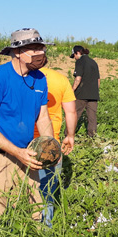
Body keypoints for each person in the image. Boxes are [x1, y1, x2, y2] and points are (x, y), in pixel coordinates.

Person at [0, 28, 54, 236]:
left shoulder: (40, 80)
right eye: (33, 48)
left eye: (41, 48)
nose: (40, 53)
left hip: (27, 154)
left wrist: (49, 145)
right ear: (17, 52)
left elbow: (43, 117)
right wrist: (16, 152)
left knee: (35, 209)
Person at [33, 67, 77, 227]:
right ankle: (45, 230)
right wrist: (70, 136)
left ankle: (23, 228)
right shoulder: (60, 79)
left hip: (24, 142)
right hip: (51, 143)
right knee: (47, 189)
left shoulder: (24, 77)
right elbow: (71, 112)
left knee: (20, 187)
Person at [70, 45, 100, 138]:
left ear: (77, 53)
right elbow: (98, 80)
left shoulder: (80, 61)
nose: (74, 58)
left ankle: (69, 135)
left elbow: (78, 78)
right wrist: (95, 91)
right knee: (92, 117)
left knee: (75, 114)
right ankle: (92, 136)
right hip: (93, 94)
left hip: (81, 94)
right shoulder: (93, 62)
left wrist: (71, 91)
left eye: (74, 55)